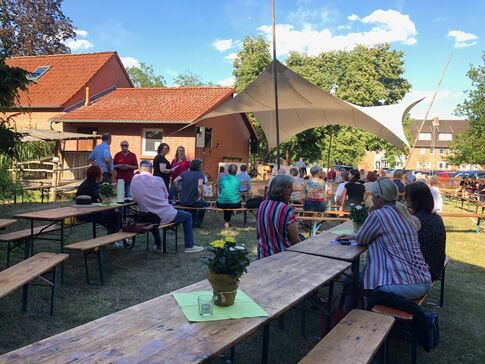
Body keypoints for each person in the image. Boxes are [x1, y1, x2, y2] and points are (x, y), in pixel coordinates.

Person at [339, 178, 431, 307]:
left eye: (373, 197)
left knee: (350, 280)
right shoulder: (404, 212)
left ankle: (352, 320)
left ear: (379, 199)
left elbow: (362, 239)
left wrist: (355, 235)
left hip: (404, 284)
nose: (371, 199)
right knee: (361, 278)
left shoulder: (379, 215)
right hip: (423, 278)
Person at [131, 160, 204, 253]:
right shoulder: (158, 179)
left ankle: (158, 245)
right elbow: (166, 196)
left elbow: (134, 198)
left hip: (147, 215)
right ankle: (189, 246)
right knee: (188, 216)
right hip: (165, 214)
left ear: (140, 169)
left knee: (153, 218)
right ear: (151, 170)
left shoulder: (134, 179)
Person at [405, 182, 446, 281]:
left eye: (406, 195)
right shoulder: (436, 217)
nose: (404, 198)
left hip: (423, 271)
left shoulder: (416, 219)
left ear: (415, 199)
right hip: (436, 267)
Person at [76, 165, 124, 247]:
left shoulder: (85, 184)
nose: (102, 176)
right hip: (88, 214)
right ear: (96, 176)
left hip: (83, 212)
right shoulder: (93, 186)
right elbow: (99, 200)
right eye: (101, 174)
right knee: (116, 216)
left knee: (112, 215)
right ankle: (113, 239)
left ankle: (116, 237)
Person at [257, 175, 301, 258]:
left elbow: (258, 234)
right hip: (283, 257)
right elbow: (296, 240)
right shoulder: (286, 210)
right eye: (289, 187)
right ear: (280, 190)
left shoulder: (262, 204)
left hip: (262, 256)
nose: (292, 190)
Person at [173, 159, 208, 228]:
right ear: (197, 166)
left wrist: (179, 191)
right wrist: (201, 196)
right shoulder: (200, 175)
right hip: (193, 201)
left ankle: (191, 222)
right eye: (201, 166)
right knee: (205, 204)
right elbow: (200, 186)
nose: (202, 167)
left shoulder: (184, 173)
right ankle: (197, 223)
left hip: (183, 201)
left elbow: (175, 181)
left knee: (192, 206)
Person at [216, 164, 241, 229]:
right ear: (236, 172)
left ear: (228, 171)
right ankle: (227, 222)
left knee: (226, 201)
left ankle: (227, 222)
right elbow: (237, 191)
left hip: (221, 203)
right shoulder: (237, 180)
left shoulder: (223, 178)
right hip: (235, 204)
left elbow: (220, 189)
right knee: (230, 202)